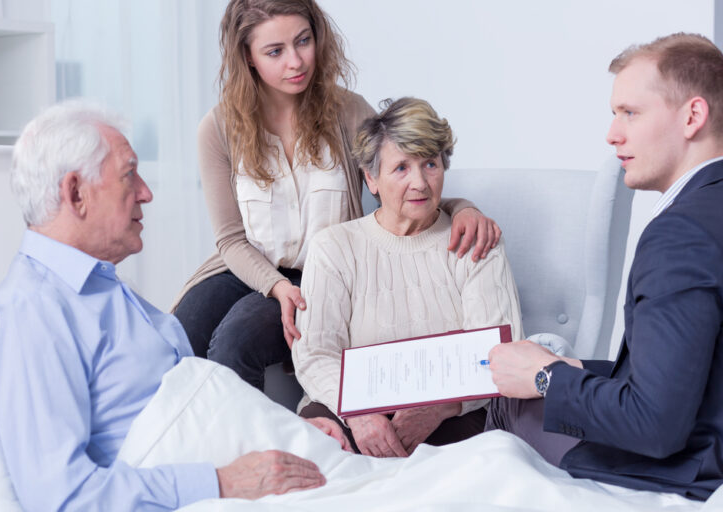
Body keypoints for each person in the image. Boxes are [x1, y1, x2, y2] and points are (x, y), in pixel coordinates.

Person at [0, 101, 352, 512]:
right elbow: (60, 497)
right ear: (76, 193)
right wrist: (221, 482)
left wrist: (282, 432)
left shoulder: (102, 290)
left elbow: (201, 412)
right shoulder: (32, 312)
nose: (146, 191)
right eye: (129, 174)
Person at [171, 0, 501, 391]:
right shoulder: (218, 127)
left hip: (322, 274)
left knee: (234, 344)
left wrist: (462, 207)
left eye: (303, 41)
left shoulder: (349, 113)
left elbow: (397, 189)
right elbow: (229, 238)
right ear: (248, 56)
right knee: (177, 337)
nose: (296, 62)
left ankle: (251, 450)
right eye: (275, 52)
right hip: (246, 266)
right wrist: (276, 286)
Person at [485, 33, 723, 500]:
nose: (612, 133)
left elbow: (655, 425)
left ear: (693, 116)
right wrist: (572, 368)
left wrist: (544, 377)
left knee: (508, 404)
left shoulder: (681, 233)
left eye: (630, 113)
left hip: (697, 465)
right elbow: (702, 369)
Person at [292, 97, 524, 457]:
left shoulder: (476, 241)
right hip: (349, 409)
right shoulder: (334, 248)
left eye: (430, 164)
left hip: (454, 413)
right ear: (371, 178)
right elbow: (315, 353)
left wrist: (438, 407)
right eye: (401, 168)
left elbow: (501, 356)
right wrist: (360, 413)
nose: (420, 182)